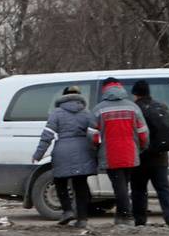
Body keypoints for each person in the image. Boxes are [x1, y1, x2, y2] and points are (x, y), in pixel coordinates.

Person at [32, 85, 97, 228]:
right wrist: (95, 153)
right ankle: (82, 219)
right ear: (79, 96)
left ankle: (67, 210)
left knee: (60, 181)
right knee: (80, 185)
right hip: (83, 151)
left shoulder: (56, 113)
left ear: (63, 96)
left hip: (62, 151)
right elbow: (94, 136)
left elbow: (47, 136)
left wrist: (38, 154)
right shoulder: (87, 113)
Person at [89, 76, 149, 227]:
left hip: (110, 154)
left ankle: (127, 217)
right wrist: (141, 147)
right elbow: (143, 132)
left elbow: (92, 135)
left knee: (119, 186)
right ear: (120, 88)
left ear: (105, 89)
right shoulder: (133, 107)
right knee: (124, 185)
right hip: (130, 152)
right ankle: (121, 216)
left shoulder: (99, 109)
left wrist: (96, 148)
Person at [130, 79, 169, 229]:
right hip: (160, 157)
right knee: (164, 188)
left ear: (135, 94)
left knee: (139, 190)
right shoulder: (161, 106)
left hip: (141, 156)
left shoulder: (134, 109)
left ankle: (140, 220)